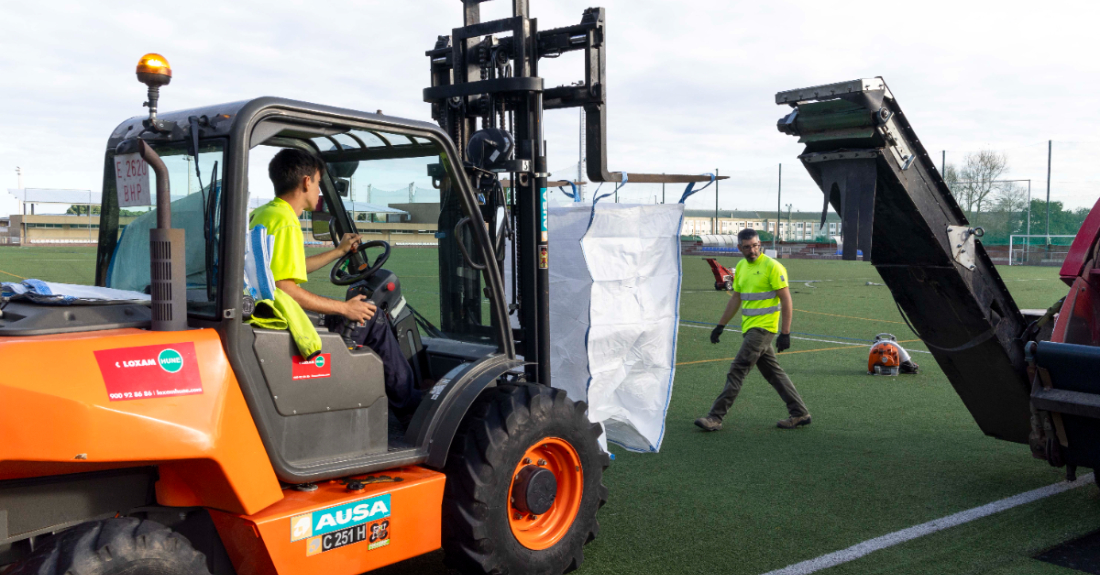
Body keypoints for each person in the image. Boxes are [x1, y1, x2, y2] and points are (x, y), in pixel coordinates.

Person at [250, 148, 421, 421]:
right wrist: (344, 309)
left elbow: (288, 268)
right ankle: (411, 408)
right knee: (371, 316)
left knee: (362, 311)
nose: (318, 191)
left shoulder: (265, 214)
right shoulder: (286, 222)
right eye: (318, 182)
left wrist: (338, 252)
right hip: (285, 319)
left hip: (268, 313)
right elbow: (285, 287)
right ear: (306, 182)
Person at [694, 229, 810, 431]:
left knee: (737, 370)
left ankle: (715, 417)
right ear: (740, 248)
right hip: (749, 329)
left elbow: (786, 299)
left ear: (760, 245)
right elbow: (736, 298)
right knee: (774, 373)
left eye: (755, 245)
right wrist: (720, 325)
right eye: (747, 247)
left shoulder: (773, 267)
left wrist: (785, 332)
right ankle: (799, 413)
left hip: (763, 329)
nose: (752, 250)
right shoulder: (741, 266)